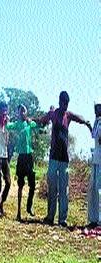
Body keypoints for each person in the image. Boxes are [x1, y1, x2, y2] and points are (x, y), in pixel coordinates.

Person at [39, 91, 92, 227]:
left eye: (67, 104)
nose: (65, 106)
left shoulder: (68, 116)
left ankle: (62, 219)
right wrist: (33, 121)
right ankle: (50, 217)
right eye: (64, 103)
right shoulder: (53, 114)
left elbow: (79, 118)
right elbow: (42, 120)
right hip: (53, 157)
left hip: (64, 159)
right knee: (52, 187)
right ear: (59, 102)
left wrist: (87, 122)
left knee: (64, 190)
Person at [6, 104, 37, 221]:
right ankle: (18, 212)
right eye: (21, 111)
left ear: (26, 112)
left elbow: (38, 124)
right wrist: (6, 119)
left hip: (29, 157)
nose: (22, 113)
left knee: (32, 185)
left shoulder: (29, 123)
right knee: (20, 185)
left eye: (24, 111)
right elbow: (8, 126)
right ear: (18, 113)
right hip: (21, 158)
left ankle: (29, 207)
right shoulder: (17, 124)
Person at [87, 102, 101, 227]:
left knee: (100, 190)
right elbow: (94, 136)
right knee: (93, 189)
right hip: (96, 159)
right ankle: (93, 219)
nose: (96, 111)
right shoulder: (97, 122)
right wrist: (89, 126)